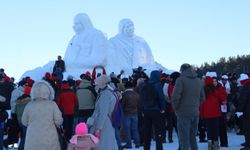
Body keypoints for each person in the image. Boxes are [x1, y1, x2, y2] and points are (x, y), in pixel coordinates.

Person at [22, 80, 63, 150]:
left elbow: (24, 122)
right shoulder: (52, 104)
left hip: (32, 140)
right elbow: (58, 121)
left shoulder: (29, 105)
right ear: (49, 92)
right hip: (49, 139)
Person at [172, 63, 205, 150]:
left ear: (182, 70)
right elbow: (203, 98)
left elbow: (175, 97)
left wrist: (176, 109)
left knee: (184, 139)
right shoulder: (199, 81)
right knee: (192, 138)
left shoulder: (180, 80)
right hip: (195, 112)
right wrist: (196, 106)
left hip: (183, 113)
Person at [86, 75, 118, 150]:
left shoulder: (105, 94)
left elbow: (103, 112)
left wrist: (98, 128)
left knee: (103, 145)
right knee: (107, 144)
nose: (95, 85)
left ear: (102, 83)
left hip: (104, 124)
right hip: (107, 123)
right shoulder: (109, 92)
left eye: (97, 83)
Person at [139, 70, 166, 150]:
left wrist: (143, 109)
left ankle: (146, 148)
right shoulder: (158, 85)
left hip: (146, 110)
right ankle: (159, 148)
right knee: (158, 130)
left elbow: (142, 99)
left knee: (147, 131)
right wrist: (163, 108)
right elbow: (161, 98)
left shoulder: (145, 84)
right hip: (156, 110)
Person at [200, 76, 227, 150]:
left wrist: (202, 115)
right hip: (216, 113)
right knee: (215, 130)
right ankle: (215, 145)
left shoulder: (203, 91)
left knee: (209, 130)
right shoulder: (215, 90)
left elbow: (201, 104)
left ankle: (210, 145)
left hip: (206, 114)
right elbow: (223, 98)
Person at [121, 81, 141, 149]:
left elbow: (122, 105)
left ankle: (129, 144)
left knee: (127, 130)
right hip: (135, 113)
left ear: (125, 86)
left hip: (126, 114)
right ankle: (137, 143)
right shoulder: (136, 94)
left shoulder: (124, 94)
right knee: (135, 129)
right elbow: (139, 105)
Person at [237, 73, 250, 150]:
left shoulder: (245, 87)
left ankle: (248, 145)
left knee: (247, 128)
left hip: (247, 111)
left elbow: (243, 100)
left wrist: (239, 110)